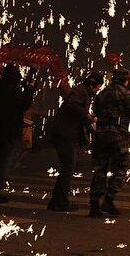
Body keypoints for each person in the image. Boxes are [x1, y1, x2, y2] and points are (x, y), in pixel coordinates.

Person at [47, 72, 102, 211]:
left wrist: (88, 121)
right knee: (68, 167)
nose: (97, 91)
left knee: (68, 167)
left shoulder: (82, 91)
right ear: (92, 85)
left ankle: (57, 201)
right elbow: (74, 107)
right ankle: (60, 202)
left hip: (67, 133)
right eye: (97, 88)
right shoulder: (79, 91)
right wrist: (87, 116)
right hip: (65, 134)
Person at [89, 68, 130, 218]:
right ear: (125, 80)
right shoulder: (125, 93)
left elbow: (95, 111)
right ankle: (109, 199)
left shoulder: (102, 93)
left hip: (101, 134)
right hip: (117, 134)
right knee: (121, 167)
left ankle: (94, 205)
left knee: (100, 169)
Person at [0, 64, 35, 203]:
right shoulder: (12, 91)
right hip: (9, 132)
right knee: (2, 162)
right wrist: (29, 88)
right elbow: (24, 104)